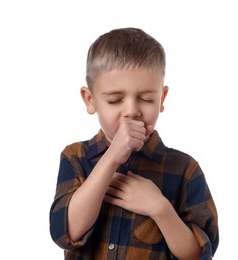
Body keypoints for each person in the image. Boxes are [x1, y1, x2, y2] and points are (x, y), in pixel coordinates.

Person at [49, 27, 219, 260]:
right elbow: (64, 232)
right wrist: (111, 158)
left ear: (161, 99)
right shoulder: (76, 157)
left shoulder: (185, 169)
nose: (131, 111)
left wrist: (160, 208)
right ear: (90, 100)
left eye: (146, 99)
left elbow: (199, 255)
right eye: (115, 100)